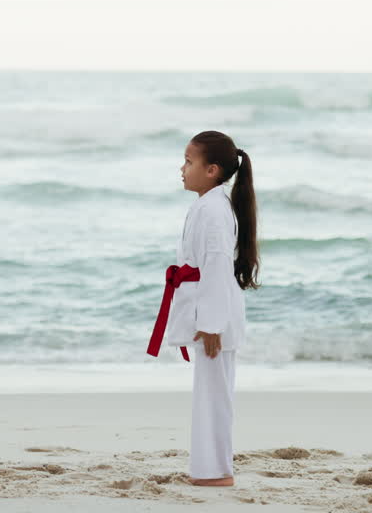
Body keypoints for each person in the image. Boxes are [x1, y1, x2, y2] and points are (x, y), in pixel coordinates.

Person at [147, 130, 259, 486]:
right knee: (211, 393)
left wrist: (211, 323)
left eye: (188, 162)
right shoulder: (209, 205)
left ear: (211, 170)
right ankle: (212, 468)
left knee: (214, 396)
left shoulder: (214, 210)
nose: (182, 169)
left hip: (215, 317)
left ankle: (214, 472)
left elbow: (215, 266)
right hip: (212, 312)